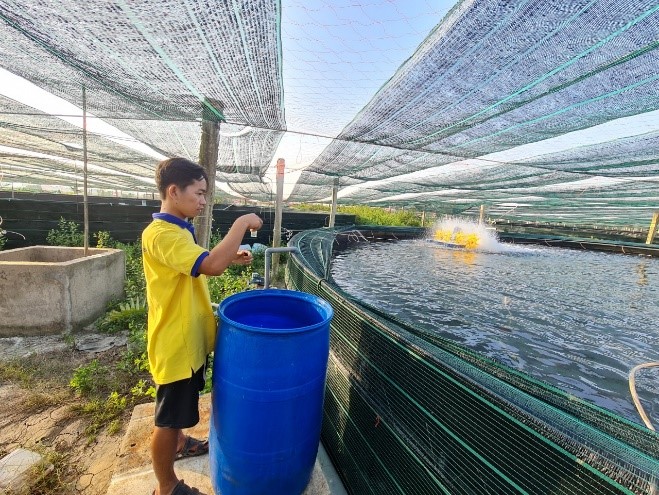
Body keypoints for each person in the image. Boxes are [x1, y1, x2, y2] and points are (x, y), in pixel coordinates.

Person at [142, 157, 263, 495]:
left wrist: (230, 256)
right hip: (175, 346)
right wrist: (240, 223)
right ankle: (166, 486)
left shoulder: (179, 228)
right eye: (198, 193)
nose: (202, 200)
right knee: (167, 420)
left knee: (180, 412)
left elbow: (199, 263)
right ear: (173, 191)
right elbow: (208, 266)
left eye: (205, 194)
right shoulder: (161, 234)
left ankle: (180, 441)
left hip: (188, 341)